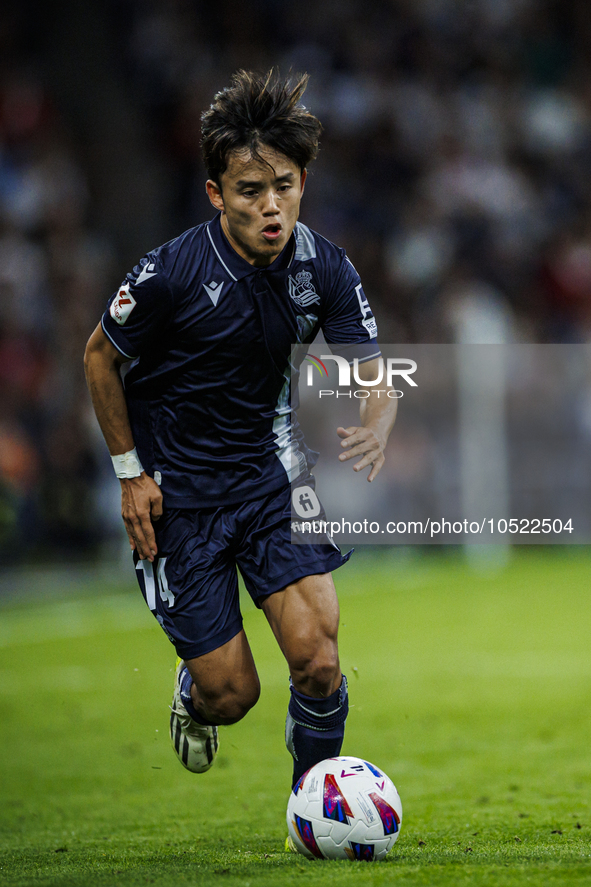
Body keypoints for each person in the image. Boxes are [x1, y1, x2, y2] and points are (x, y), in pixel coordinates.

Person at [84, 70, 396, 792]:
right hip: (179, 499)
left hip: (270, 480)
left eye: (283, 184)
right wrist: (129, 473)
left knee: (318, 656)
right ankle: (195, 698)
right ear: (216, 193)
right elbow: (99, 356)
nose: (270, 204)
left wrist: (376, 424)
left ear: (303, 181)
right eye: (250, 190)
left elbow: (375, 376)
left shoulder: (327, 270)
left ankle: (313, 803)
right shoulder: (168, 273)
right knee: (232, 693)